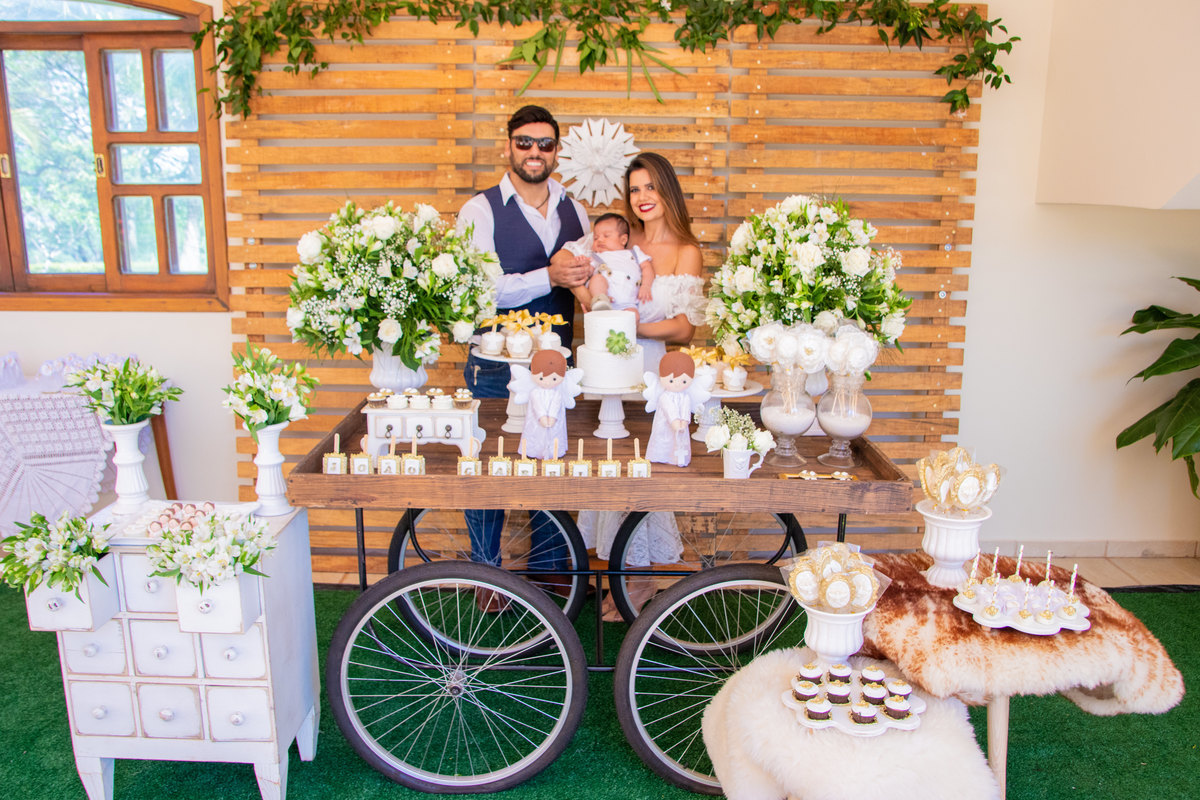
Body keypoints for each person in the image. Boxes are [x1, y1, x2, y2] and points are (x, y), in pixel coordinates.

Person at [455, 105, 591, 609]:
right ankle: (487, 576)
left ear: (557, 150)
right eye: (525, 142)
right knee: (487, 472)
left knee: (551, 467)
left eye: (545, 144)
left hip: (556, 369)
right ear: (509, 146)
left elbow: (588, 274)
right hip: (493, 367)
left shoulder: (575, 210)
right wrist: (549, 277)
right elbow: (480, 289)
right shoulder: (480, 211)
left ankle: (552, 577)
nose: (535, 152)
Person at [575, 152, 709, 620]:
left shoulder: (686, 250)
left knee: (652, 473)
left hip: (659, 372)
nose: (642, 197)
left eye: (650, 187)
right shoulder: (617, 246)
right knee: (616, 466)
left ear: (667, 190)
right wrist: (594, 299)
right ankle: (617, 571)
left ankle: (644, 577)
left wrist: (633, 325)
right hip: (615, 367)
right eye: (634, 189)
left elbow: (685, 328)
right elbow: (578, 276)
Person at [567, 213, 655, 313]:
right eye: (596, 238)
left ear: (623, 240)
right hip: (605, 299)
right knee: (597, 279)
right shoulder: (596, 257)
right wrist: (582, 263)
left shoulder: (634, 253)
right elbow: (587, 272)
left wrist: (646, 286)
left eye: (606, 236)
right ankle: (600, 301)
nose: (599, 240)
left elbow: (647, 268)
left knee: (634, 317)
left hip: (628, 301)